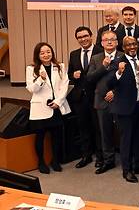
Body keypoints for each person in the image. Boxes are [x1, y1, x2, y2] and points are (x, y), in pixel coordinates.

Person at [106, 36, 139, 183]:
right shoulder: (117, 62)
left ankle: (138, 165)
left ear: (137, 45)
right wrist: (119, 72)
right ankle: (127, 170)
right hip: (125, 108)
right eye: (128, 45)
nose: (132, 47)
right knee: (127, 140)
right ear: (123, 47)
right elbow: (109, 83)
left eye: (134, 44)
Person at [26, 42, 71, 174]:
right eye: (42, 53)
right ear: (38, 55)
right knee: (40, 137)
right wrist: (40, 78)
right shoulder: (32, 68)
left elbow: (65, 85)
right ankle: (41, 162)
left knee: (56, 136)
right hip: (39, 108)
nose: (46, 55)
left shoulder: (60, 66)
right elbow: (31, 89)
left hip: (55, 106)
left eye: (48, 52)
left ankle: (55, 160)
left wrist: (58, 101)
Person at [86, 30, 124, 174]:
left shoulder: (122, 56)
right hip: (101, 101)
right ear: (101, 43)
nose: (109, 42)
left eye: (112, 39)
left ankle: (126, 159)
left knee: (123, 131)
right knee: (105, 132)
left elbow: (128, 79)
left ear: (116, 42)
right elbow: (90, 79)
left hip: (119, 99)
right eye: (106, 40)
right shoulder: (96, 58)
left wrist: (114, 92)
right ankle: (108, 161)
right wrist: (103, 66)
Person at [67, 26, 103, 169]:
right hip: (80, 97)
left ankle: (100, 157)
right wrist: (72, 76)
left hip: (96, 96)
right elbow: (69, 74)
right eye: (80, 37)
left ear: (91, 36)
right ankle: (86, 155)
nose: (83, 39)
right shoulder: (74, 54)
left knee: (98, 127)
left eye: (85, 36)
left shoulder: (100, 51)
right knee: (83, 128)